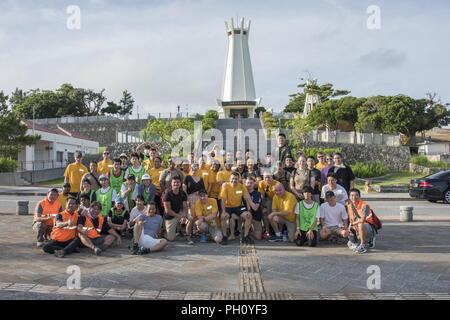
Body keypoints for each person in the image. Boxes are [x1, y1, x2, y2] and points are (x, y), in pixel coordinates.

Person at [219, 172, 254, 244]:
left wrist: (249, 210)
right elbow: (223, 200)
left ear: (239, 179)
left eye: (236, 179)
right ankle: (224, 237)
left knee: (248, 216)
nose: (234, 180)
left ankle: (245, 236)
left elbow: (247, 198)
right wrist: (223, 211)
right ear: (229, 179)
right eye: (232, 179)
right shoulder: (226, 186)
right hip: (228, 207)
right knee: (223, 217)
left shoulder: (242, 186)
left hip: (238, 207)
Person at [163, 177, 193, 244]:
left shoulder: (183, 193)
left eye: (178, 182)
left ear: (180, 183)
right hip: (170, 216)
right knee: (170, 238)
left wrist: (184, 215)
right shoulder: (167, 194)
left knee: (190, 218)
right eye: (174, 182)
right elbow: (168, 211)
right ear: (171, 184)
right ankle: (164, 231)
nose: (176, 184)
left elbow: (185, 207)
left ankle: (187, 235)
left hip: (179, 212)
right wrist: (180, 217)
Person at [346, 189, 376, 254]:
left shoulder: (365, 205)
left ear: (359, 196)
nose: (354, 197)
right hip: (356, 226)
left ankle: (363, 245)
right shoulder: (349, 206)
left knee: (360, 224)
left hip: (367, 227)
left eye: (356, 195)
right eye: (352, 195)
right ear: (349, 197)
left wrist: (353, 224)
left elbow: (362, 220)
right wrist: (349, 228)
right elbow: (351, 219)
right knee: (346, 229)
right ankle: (356, 241)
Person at [245, 177, 263, 241]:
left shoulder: (257, 194)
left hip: (255, 216)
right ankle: (241, 231)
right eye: (247, 183)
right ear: (245, 184)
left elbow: (255, 208)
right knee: (232, 216)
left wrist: (248, 198)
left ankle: (251, 231)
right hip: (244, 215)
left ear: (254, 184)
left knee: (258, 237)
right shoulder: (241, 192)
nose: (249, 184)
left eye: (251, 183)